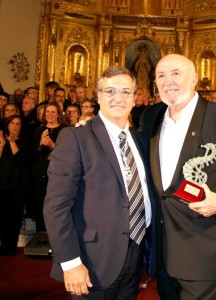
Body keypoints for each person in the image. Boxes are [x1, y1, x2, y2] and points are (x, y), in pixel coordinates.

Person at [140, 54, 216, 300]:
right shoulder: (150, 116)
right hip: (161, 249)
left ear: (194, 78)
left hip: (202, 247)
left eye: (176, 73)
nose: (167, 81)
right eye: (161, 75)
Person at [43, 66, 156, 299]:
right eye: (110, 91)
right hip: (92, 260)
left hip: (135, 255)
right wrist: (70, 262)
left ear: (135, 99)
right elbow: (56, 206)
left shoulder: (141, 140)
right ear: (98, 96)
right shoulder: (76, 137)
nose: (118, 98)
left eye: (126, 92)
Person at [32, 102, 65, 231]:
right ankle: (40, 234)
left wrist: (52, 144)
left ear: (58, 114)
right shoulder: (39, 129)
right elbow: (32, 152)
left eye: (53, 112)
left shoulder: (64, 130)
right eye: (47, 112)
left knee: (55, 206)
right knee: (40, 204)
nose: (50, 114)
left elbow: (66, 153)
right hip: (40, 173)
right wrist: (40, 144)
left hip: (57, 174)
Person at [0, 115, 29, 255]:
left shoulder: (24, 141)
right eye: (12, 123)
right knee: (2, 216)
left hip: (18, 185)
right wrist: (2, 143)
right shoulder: (1, 140)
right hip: (2, 184)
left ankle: (10, 248)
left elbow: (19, 158)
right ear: (7, 124)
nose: (15, 126)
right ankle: (2, 244)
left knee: (15, 217)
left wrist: (12, 141)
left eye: (18, 124)